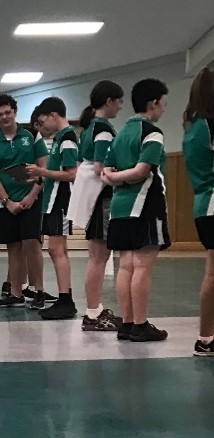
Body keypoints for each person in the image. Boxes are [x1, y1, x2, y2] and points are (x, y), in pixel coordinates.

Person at [102, 78, 171, 342]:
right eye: (164, 104)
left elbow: (106, 171)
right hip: (145, 206)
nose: (164, 109)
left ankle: (127, 324)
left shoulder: (119, 136)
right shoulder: (152, 133)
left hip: (120, 208)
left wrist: (115, 177)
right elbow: (143, 171)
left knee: (126, 265)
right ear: (153, 102)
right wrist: (124, 177)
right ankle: (140, 325)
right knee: (141, 266)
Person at [0, 95, 49, 308]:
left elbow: (43, 168)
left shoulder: (32, 135)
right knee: (13, 246)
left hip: (32, 197)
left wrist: (32, 195)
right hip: (6, 203)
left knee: (32, 242)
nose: (5, 117)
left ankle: (38, 290)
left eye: (8, 112)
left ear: (15, 112)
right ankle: (15, 292)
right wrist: (7, 201)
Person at [70, 80, 125, 332]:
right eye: (119, 101)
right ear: (108, 101)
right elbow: (100, 167)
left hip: (94, 199)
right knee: (99, 257)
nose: (120, 106)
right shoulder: (102, 129)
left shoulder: (90, 127)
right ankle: (93, 314)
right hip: (101, 199)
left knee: (97, 256)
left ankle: (95, 309)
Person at [27, 97, 79, 319]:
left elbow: (72, 173)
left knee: (57, 250)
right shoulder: (59, 138)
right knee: (57, 250)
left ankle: (65, 300)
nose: (42, 126)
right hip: (53, 201)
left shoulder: (67, 138)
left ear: (52, 115)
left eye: (42, 121)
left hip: (61, 201)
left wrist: (42, 172)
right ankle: (64, 297)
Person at [182, 67, 214, 355]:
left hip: (203, 205)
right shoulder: (208, 126)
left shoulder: (192, 126)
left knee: (212, 273)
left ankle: (206, 338)